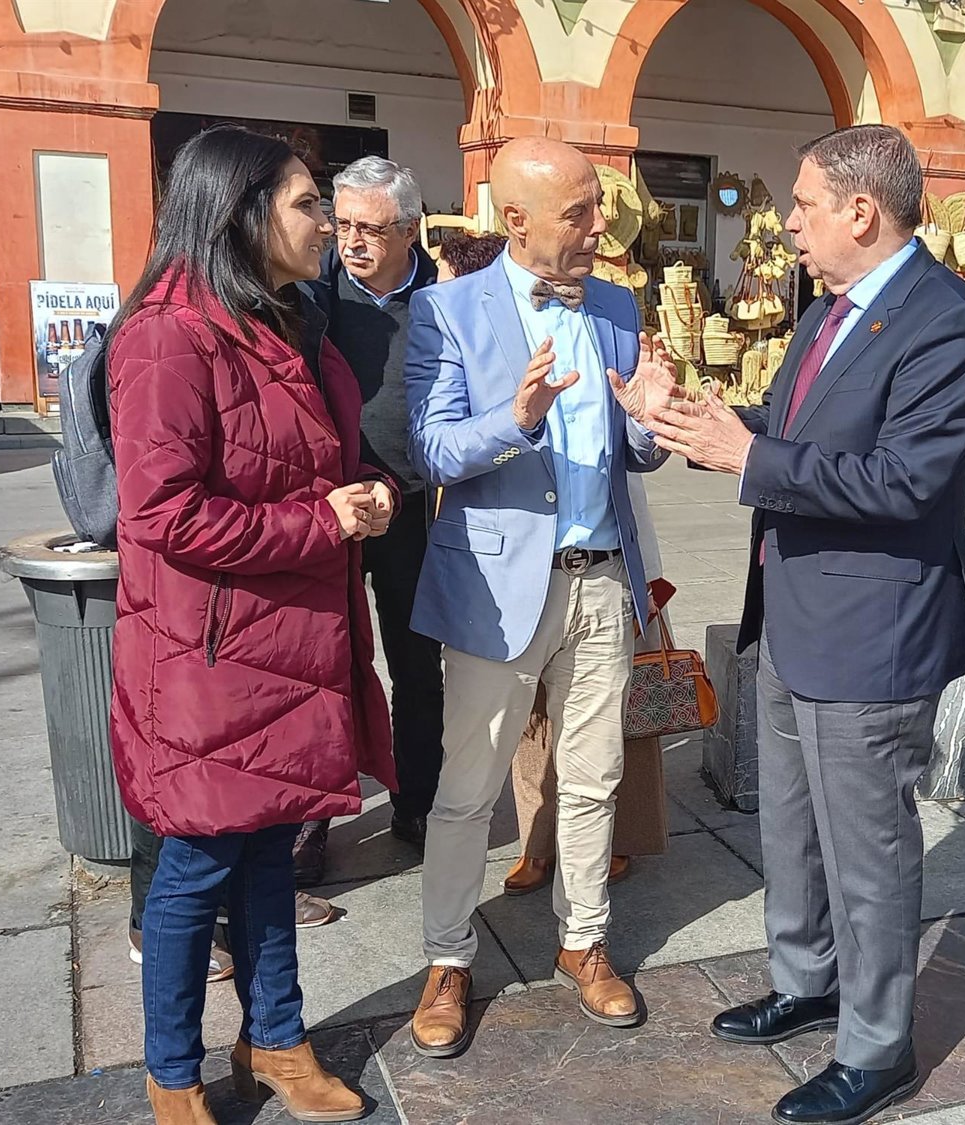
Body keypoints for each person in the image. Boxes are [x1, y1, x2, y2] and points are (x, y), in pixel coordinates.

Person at [646, 124, 965, 1125]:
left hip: (872, 633)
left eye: (803, 204)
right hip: (792, 614)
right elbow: (788, 430)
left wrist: (748, 459)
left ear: (861, 209)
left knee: (869, 852)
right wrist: (695, 420)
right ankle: (808, 982)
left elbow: (904, 480)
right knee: (793, 828)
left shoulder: (948, 322)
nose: (788, 223)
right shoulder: (827, 308)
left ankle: (878, 1047)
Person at [107, 124, 398, 1125]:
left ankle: (276, 1039)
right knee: (195, 870)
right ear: (240, 214)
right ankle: (172, 1076)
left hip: (284, 640)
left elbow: (297, 464)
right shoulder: (167, 335)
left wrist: (361, 492)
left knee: (272, 851)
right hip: (209, 654)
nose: (328, 225)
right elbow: (160, 513)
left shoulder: (276, 319)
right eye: (308, 204)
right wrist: (321, 520)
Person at [402, 136, 679, 1059]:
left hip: (602, 579)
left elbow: (634, 451)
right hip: (495, 588)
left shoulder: (617, 305)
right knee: (467, 791)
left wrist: (652, 420)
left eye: (600, 207)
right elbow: (432, 449)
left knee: (594, 778)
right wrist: (514, 421)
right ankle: (448, 958)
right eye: (580, 212)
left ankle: (583, 939)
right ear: (515, 220)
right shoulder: (445, 309)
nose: (601, 227)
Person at [297, 156, 442, 875]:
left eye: (371, 228)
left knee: (416, 661)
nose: (350, 239)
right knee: (320, 662)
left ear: (410, 230)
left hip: (408, 507)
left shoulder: (443, 301)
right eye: (343, 222)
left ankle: (419, 799)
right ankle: (311, 819)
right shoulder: (309, 297)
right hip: (326, 507)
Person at [504, 470, 673, 895]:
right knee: (530, 712)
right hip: (524, 546)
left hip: (610, 548)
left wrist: (647, 575)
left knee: (620, 706)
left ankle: (621, 834)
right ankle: (538, 840)